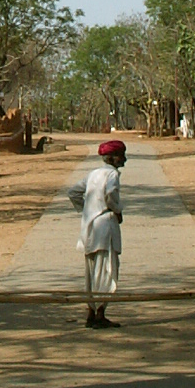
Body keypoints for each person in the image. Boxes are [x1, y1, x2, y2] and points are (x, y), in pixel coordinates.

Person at [68, 139, 127, 329]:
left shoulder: (93, 174)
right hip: (105, 225)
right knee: (107, 271)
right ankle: (100, 313)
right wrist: (117, 210)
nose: (124, 159)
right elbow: (111, 195)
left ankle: (91, 312)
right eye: (121, 156)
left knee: (91, 272)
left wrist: (87, 210)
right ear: (112, 158)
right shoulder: (112, 175)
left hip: (89, 227)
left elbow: (73, 193)